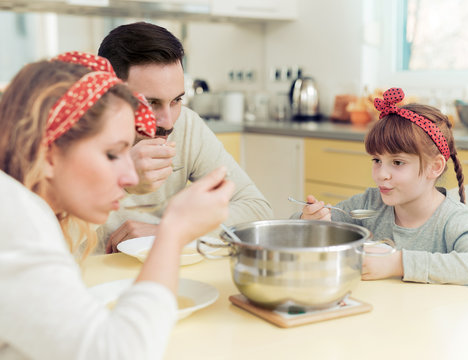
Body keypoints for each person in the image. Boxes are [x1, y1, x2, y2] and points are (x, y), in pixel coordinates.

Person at [0, 52, 234, 359]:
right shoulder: (16, 219)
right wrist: (172, 231)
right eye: (112, 154)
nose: (128, 176)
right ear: (47, 154)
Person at [295, 88, 468, 289]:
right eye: (377, 160)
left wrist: (397, 263)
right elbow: (299, 236)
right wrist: (309, 223)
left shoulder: (454, 220)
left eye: (397, 163)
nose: (381, 174)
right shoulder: (369, 204)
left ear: (435, 167)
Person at [96, 21, 273, 252]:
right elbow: (52, 237)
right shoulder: (71, 138)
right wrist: (119, 177)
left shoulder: (186, 125)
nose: (168, 122)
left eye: (176, 100)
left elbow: (257, 209)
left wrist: (170, 230)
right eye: (150, 102)